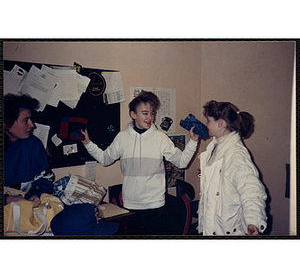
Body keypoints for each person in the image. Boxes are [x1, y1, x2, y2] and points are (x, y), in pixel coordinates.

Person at [81, 90, 199, 235]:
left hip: (156, 206)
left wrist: (193, 142)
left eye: (152, 113)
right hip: (131, 206)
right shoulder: (122, 137)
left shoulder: (160, 138)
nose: (150, 117)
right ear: (133, 115)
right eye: (145, 113)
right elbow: (105, 159)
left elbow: (182, 162)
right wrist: (88, 144)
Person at [198, 100, 267, 236]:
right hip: (212, 225)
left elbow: (252, 190)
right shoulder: (215, 146)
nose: (206, 124)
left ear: (220, 123)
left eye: (208, 120)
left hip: (228, 230)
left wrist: (253, 221)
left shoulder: (236, 154)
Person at [4, 94, 55, 206]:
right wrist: (7, 200)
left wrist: (36, 194)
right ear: (6, 125)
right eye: (25, 120)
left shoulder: (33, 144)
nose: (32, 125)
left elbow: (45, 179)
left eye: (31, 119)